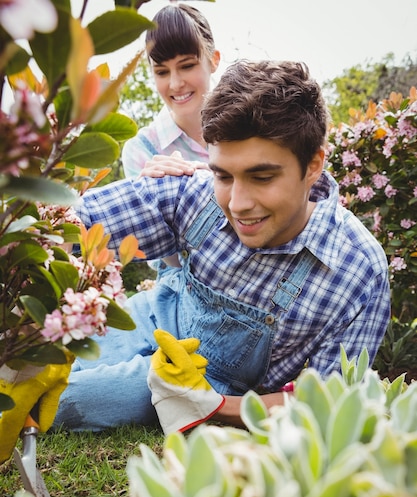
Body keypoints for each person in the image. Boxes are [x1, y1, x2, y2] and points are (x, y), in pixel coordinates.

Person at [52, 59, 391, 435]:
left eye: (261, 177)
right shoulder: (196, 192)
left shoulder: (359, 270)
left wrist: (209, 405)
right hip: (154, 316)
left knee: (62, 401)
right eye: (224, 175)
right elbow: (67, 223)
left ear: (313, 165)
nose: (238, 203)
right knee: (38, 361)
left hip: (212, 384)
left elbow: (329, 398)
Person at [122, 3, 220, 179]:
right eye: (162, 72)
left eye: (187, 66)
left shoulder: (248, 126)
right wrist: (145, 194)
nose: (175, 84)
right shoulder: (142, 150)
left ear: (214, 60)